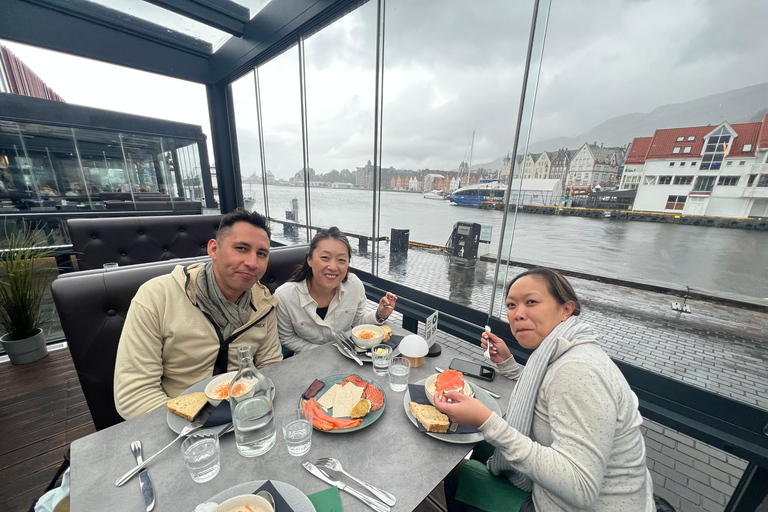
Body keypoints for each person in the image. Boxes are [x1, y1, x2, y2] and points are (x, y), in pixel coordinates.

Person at [435, 268, 654, 512]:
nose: (518, 314)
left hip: (572, 505)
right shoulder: (566, 349)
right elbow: (544, 396)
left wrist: (487, 421)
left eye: (531, 302)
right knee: (475, 443)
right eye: (511, 305)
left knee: (457, 471)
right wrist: (509, 365)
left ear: (566, 310)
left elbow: (581, 488)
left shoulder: (578, 371)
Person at [114, 209, 282, 419]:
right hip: (176, 420)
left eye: (261, 254)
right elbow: (134, 394)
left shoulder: (264, 303)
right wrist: (202, 421)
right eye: (241, 248)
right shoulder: (157, 296)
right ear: (214, 249)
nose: (252, 263)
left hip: (247, 414)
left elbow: (272, 367)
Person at [274, 227, 397, 353]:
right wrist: (326, 353)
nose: (333, 267)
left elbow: (358, 323)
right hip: (308, 361)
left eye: (341, 260)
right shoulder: (285, 296)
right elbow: (287, 338)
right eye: (325, 258)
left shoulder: (354, 285)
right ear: (309, 260)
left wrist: (379, 315)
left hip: (348, 357)